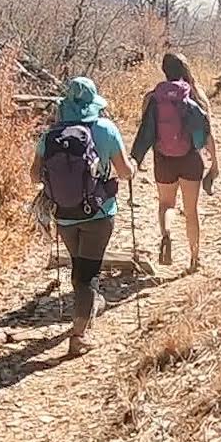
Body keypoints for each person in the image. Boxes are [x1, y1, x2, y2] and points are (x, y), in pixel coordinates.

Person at [31, 76, 136, 357]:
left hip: (64, 215)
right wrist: (132, 169)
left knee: (80, 267)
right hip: (99, 214)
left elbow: (33, 176)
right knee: (88, 273)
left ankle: (89, 304)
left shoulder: (50, 135)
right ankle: (78, 335)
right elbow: (125, 172)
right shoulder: (106, 129)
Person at [131, 52, 218, 273]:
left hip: (163, 160)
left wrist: (136, 159)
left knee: (166, 205)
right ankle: (194, 259)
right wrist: (214, 164)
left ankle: (166, 234)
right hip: (190, 158)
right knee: (191, 211)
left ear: (164, 71)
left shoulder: (152, 98)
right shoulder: (196, 96)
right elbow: (207, 133)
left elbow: (147, 130)